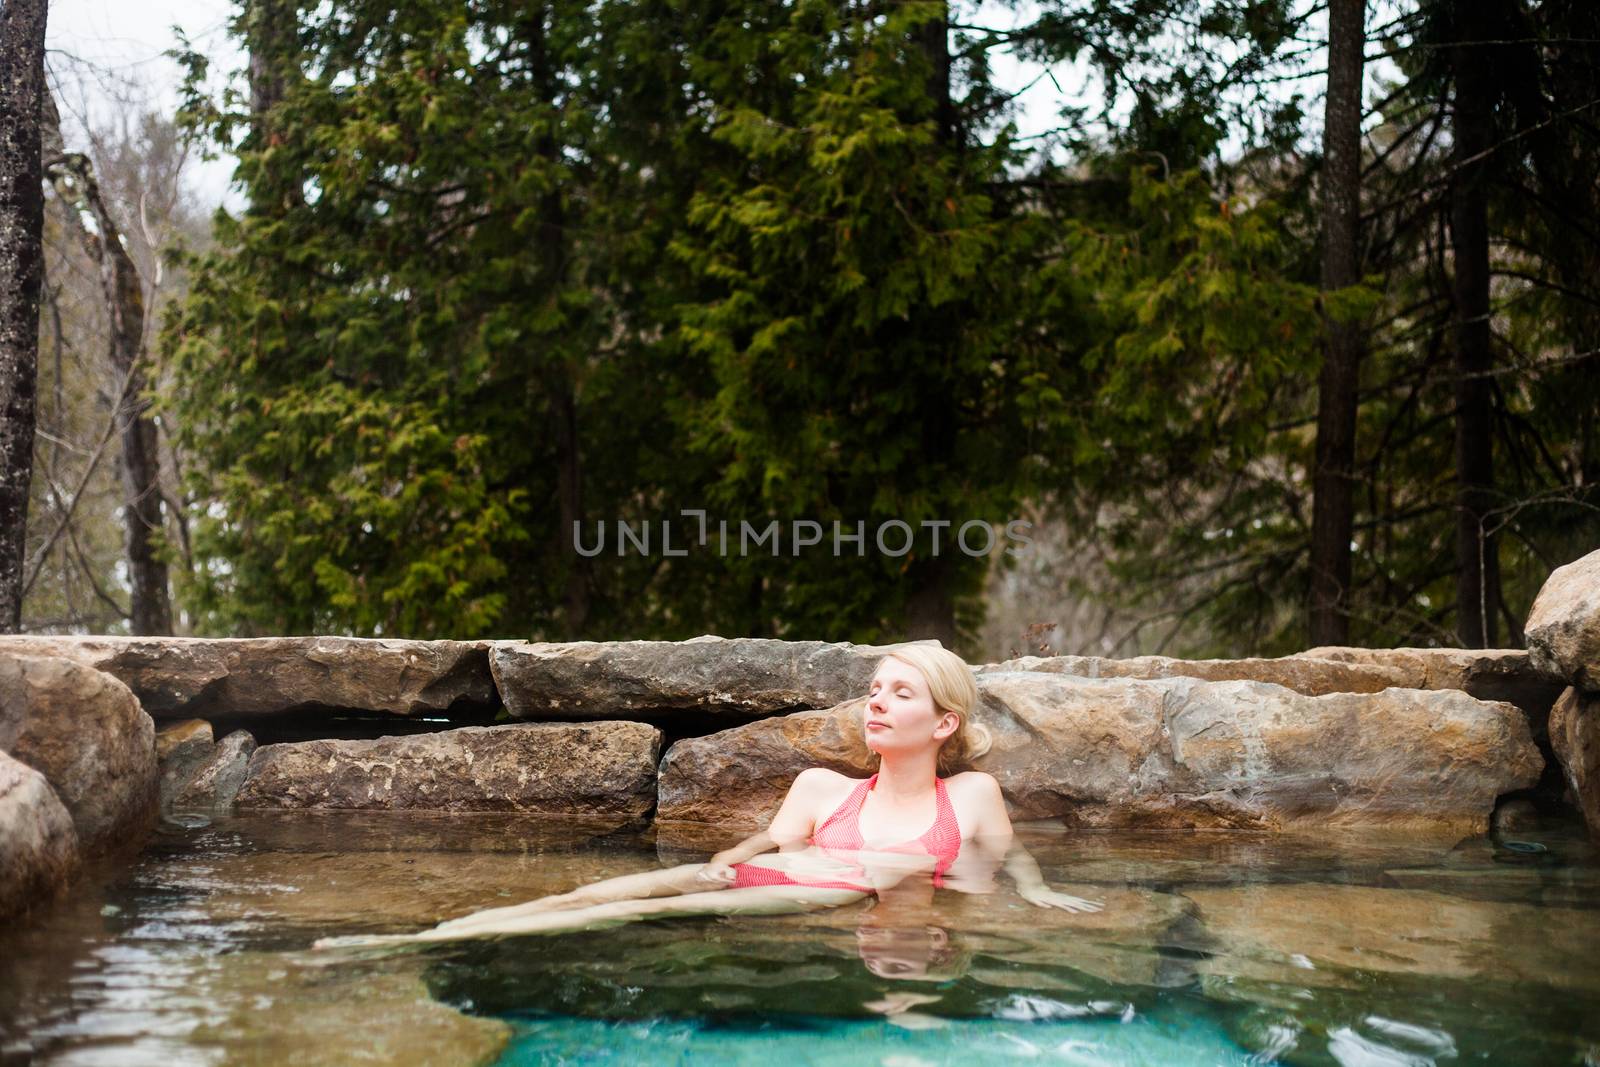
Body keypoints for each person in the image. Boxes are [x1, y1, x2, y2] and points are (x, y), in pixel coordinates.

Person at [314, 645, 1100, 949]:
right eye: (874, 688)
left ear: (945, 721)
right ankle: (451, 926)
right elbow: (766, 844)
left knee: (626, 910)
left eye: (901, 692)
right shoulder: (821, 784)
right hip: (770, 878)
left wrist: (1040, 891)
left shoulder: (974, 795)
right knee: (593, 890)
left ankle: (405, 945)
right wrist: (730, 856)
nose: (877, 702)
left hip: (827, 891)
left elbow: (1006, 861)